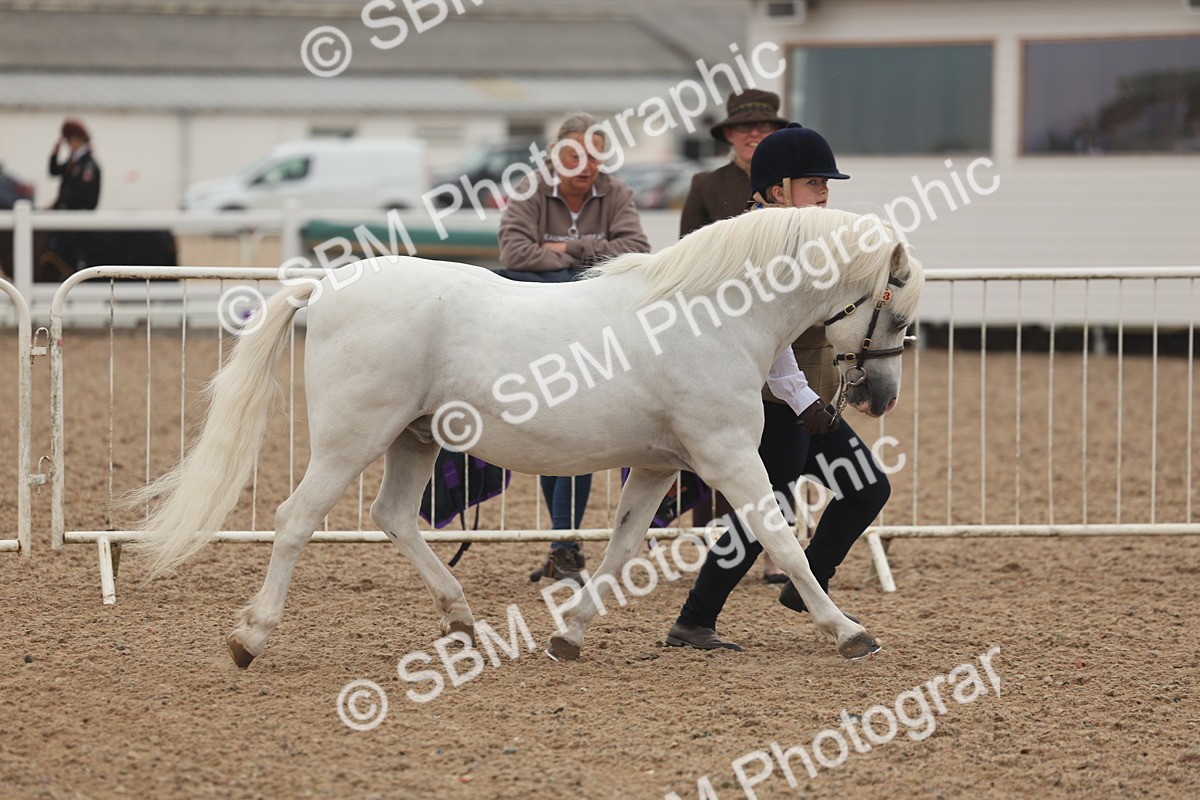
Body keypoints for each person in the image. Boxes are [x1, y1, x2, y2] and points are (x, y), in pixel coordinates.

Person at [665, 123, 892, 651]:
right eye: (815, 183)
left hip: (811, 400)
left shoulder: (809, 242)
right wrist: (803, 400)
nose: (826, 194)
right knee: (768, 511)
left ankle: (802, 584)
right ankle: (695, 619)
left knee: (865, 488)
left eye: (826, 184)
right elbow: (770, 338)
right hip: (774, 403)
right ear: (776, 191)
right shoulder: (758, 244)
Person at [496, 112, 651, 584]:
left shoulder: (617, 191)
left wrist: (563, 253)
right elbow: (513, 253)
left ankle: (564, 544)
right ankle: (564, 543)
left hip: (591, 327)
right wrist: (589, 258)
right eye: (573, 154)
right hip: (540, 328)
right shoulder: (528, 189)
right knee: (556, 435)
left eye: (593, 155)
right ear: (554, 157)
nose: (584, 164)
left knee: (571, 433)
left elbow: (636, 249)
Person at [678, 89, 791, 581]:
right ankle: (718, 550)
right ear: (727, 135)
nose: (753, 134)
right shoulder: (706, 184)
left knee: (780, 442)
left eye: (764, 127)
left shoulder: (794, 190)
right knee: (717, 442)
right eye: (744, 127)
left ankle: (774, 551)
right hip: (719, 335)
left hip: (781, 335)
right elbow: (685, 257)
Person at [45, 119, 101, 276]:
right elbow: (54, 170)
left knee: (72, 243)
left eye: (70, 140)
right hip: (67, 213)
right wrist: (55, 153)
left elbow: (81, 194)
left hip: (78, 215)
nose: (69, 144)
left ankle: (76, 266)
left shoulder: (88, 164)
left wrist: (57, 204)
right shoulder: (74, 162)